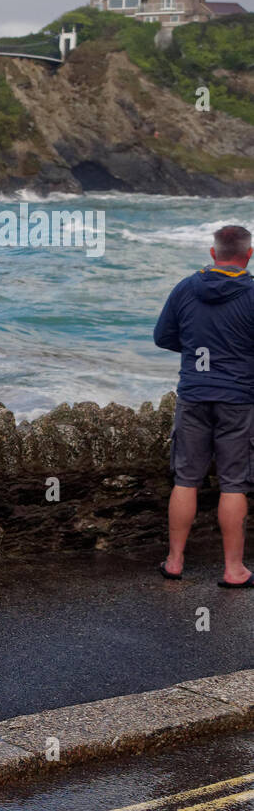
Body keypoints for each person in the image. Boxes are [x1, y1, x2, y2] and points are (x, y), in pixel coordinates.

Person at [153, 224, 254, 587]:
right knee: (234, 484)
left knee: (186, 479)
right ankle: (233, 569)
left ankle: (175, 561)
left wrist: (199, 350)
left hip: (194, 393)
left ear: (213, 254)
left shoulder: (185, 288)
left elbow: (162, 337)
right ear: (249, 254)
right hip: (238, 399)